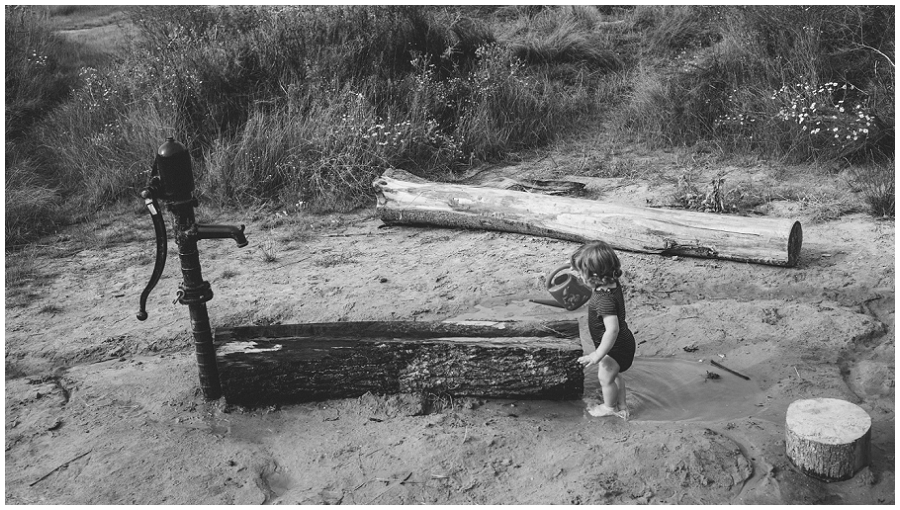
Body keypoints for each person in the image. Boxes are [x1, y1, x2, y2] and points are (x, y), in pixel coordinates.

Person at [571, 241, 636, 419]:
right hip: (623, 342)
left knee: (604, 378)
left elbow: (612, 330)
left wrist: (598, 355)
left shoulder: (603, 299)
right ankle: (622, 407)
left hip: (614, 348)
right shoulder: (611, 284)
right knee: (614, 376)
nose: (579, 277)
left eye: (581, 273)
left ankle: (609, 408)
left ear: (594, 276)